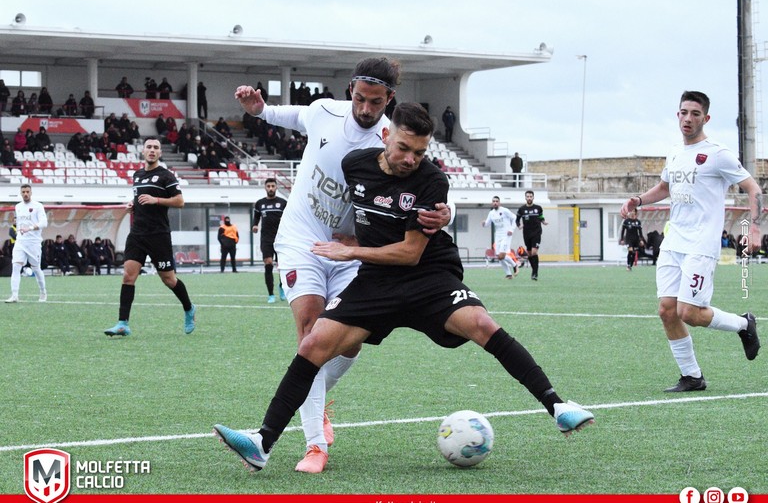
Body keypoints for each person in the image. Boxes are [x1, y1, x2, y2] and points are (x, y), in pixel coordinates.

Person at [213, 102, 594, 473]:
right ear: (386, 135)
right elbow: (351, 205)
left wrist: (353, 251)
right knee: (313, 343)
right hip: (376, 283)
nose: (411, 158)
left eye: (420, 152)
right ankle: (263, 443)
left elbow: (411, 253)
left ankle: (558, 407)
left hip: (428, 277)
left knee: (481, 323)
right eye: (404, 148)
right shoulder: (355, 166)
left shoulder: (431, 180)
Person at [229, 57, 451, 473]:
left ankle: (314, 399)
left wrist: (447, 213)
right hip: (302, 241)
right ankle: (315, 445)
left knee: (347, 343)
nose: (366, 109)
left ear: (390, 99)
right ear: (351, 89)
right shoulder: (323, 112)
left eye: (376, 102)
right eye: (361, 98)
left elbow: (429, 183)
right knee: (311, 333)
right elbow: (284, 114)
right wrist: (257, 108)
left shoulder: (394, 141)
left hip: (354, 249)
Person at [620, 90, 762, 392]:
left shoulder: (718, 154)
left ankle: (743, 324)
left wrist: (755, 227)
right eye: (684, 112)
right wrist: (638, 200)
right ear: (678, 115)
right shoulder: (674, 152)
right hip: (674, 242)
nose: (688, 118)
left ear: (705, 118)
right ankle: (692, 376)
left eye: (695, 114)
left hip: (701, 244)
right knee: (667, 310)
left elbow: (753, 188)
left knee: (690, 312)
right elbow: (664, 187)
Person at [103, 137, 197, 337]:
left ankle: (189, 308)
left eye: (156, 147)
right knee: (128, 277)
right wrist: (133, 205)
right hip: (137, 234)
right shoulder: (137, 175)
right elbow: (139, 198)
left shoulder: (166, 176)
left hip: (158, 235)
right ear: (143, 151)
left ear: (160, 153)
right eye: (149, 147)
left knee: (169, 280)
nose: (152, 150)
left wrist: (157, 200)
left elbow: (180, 201)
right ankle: (123, 323)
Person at [5, 184, 48, 303]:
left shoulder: (38, 206)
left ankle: (43, 291)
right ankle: (14, 295)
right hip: (20, 241)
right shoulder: (18, 206)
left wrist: (30, 228)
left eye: (27, 191)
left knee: (36, 268)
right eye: (23, 192)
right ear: (20, 193)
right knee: (16, 266)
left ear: (31, 192)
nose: (25, 194)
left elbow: (44, 223)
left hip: (33, 242)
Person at [252, 178, 287, 303]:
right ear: (265, 187)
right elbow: (256, 217)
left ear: (276, 187)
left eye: (273, 186)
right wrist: (255, 225)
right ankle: (271, 294)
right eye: (268, 186)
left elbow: (289, 218)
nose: (271, 188)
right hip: (266, 238)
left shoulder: (283, 203)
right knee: (268, 263)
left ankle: (282, 287)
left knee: (282, 266)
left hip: (281, 238)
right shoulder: (260, 203)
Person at [482, 196, 519, 279]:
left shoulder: (504, 210)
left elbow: (514, 218)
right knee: (499, 257)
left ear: (499, 202)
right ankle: (508, 274)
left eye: (497, 201)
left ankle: (515, 265)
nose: (495, 202)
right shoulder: (491, 213)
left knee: (502, 255)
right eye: (494, 201)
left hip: (506, 235)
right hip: (498, 236)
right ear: (492, 203)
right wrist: (484, 224)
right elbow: (487, 224)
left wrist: (511, 229)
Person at [516, 190, 548, 280]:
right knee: (529, 254)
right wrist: (519, 225)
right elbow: (517, 220)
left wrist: (543, 221)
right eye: (528, 196)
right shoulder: (521, 209)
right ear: (525, 197)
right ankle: (533, 271)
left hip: (536, 232)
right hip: (526, 233)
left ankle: (535, 272)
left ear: (533, 197)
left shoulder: (538, 208)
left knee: (534, 252)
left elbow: (541, 216)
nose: (529, 198)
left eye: (531, 196)